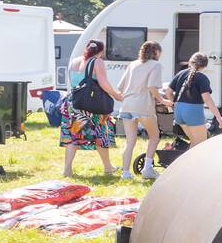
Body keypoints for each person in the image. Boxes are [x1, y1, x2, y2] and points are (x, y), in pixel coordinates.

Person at [60, 39, 124, 176]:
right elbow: (103, 82)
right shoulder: (97, 61)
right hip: (92, 105)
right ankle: (108, 167)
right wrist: (116, 95)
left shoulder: (74, 62)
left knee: (73, 135)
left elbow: (73, 83)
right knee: (100, 134)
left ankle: (67, 169)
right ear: (100, 51)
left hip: (73, 103)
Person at [116, 40, 165, 180]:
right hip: (143, 106)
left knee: (130, 141)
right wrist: (163, 100)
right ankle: (147, 168)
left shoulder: (133, 64)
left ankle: (125, 173)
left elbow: (120, 87)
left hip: (126, 105)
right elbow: (152, 87)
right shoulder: (156, 65)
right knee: (154, 136)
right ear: (156, 52)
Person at [164, 53, 222, 146]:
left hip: (178, 111)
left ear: (191, 61)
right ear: (204, 65)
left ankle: (186, 160)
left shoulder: (180, 74)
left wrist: (175, 104)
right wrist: (219, 117)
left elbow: (168, 92)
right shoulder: (202, 78)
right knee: (201, 145)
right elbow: (207, 99)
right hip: (192, 111)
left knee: (194, 142)